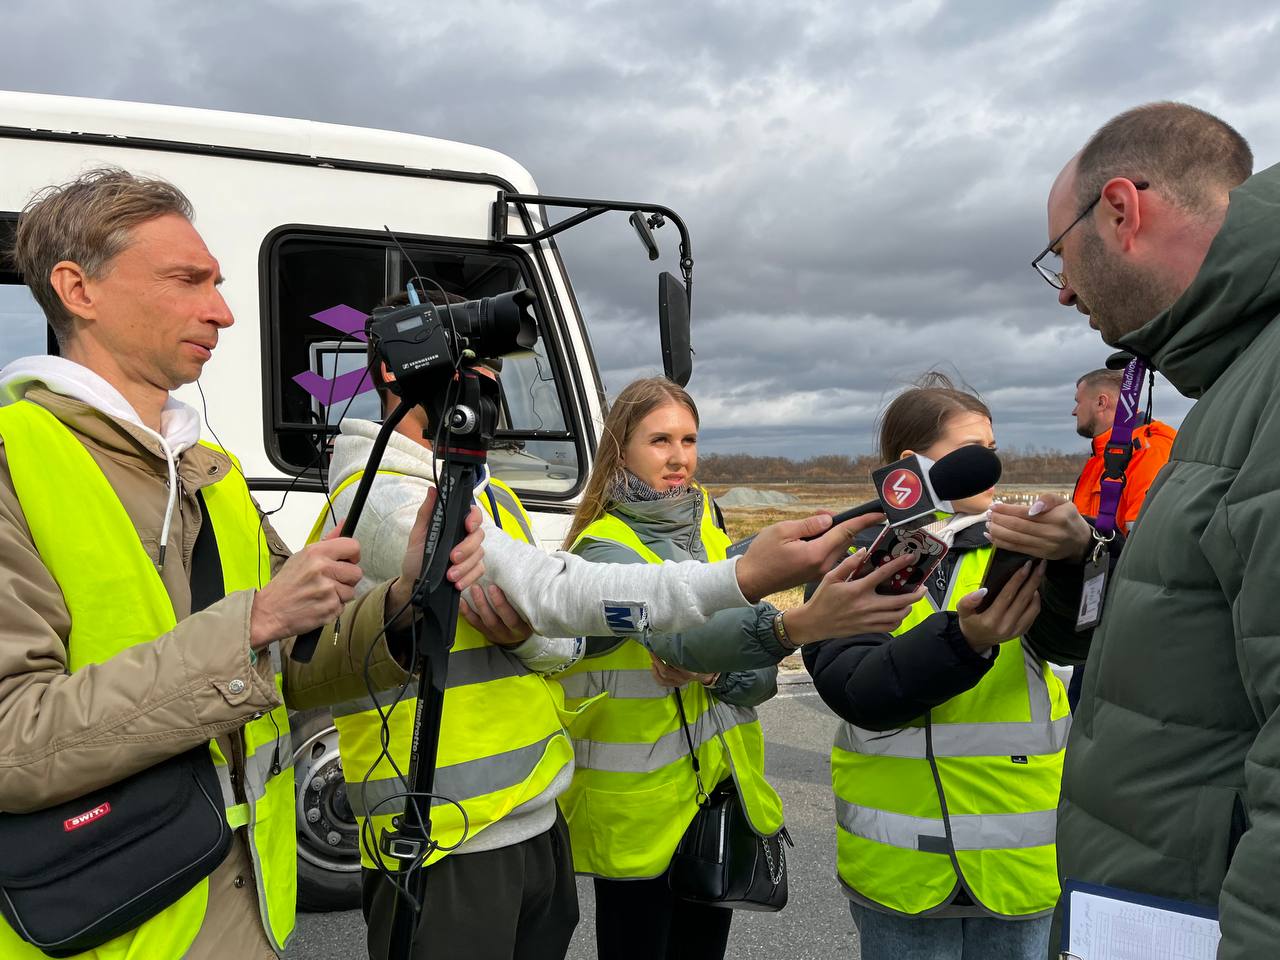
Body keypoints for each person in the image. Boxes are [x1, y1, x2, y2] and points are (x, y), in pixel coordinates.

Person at [0, 167, 488, 960]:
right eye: (187, 280)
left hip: (248, 907)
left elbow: (290, 665)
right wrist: (252, 621)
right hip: (103, 928)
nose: (222, 311)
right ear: (76, 289)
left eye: (218, 283)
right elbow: (13, 744)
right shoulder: (12, 464)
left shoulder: (212, 473)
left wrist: (406, 598)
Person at [317, 312, 898, 959]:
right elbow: (560, 603)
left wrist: (729, 649)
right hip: (471, 823)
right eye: (468, 365)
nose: (487, 384)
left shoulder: (490, 494)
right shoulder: (396, 500)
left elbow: (556, 634)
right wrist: (783, 612)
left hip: (556, 813)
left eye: (689, 438)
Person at [1011, 101, 1273, 958]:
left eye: (1061, 254)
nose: (1064, 292)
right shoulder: (1236, 386)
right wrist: (1078, 562)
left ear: (1121, 210)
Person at [553, 376, 919, 960]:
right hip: (639, 813)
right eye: (659, 441)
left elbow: (757, 681)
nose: (679, 458)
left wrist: (721, 672)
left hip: (714, 795)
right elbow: (683, 640)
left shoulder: (705, 529)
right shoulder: (604, 548)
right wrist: (788, 628)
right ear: (620, 449)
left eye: (690, 440)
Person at [802, 374, 1069, 959]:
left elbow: (1085, 640)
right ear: (912, 463)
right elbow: (858, 691)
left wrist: (1079, 556)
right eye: (973, 452)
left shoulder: (1023, 549)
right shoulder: (850, 565)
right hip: (900, 875)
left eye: (994, 451)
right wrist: (965, 638)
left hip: (1019, 865)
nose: (990, 468)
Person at [1069, 367, 1175, 532]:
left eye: (1078, 402)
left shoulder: (1148, 451)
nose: (1074, 412)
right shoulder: (1103, 454)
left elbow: (1143, 539)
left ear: (1101, 403)